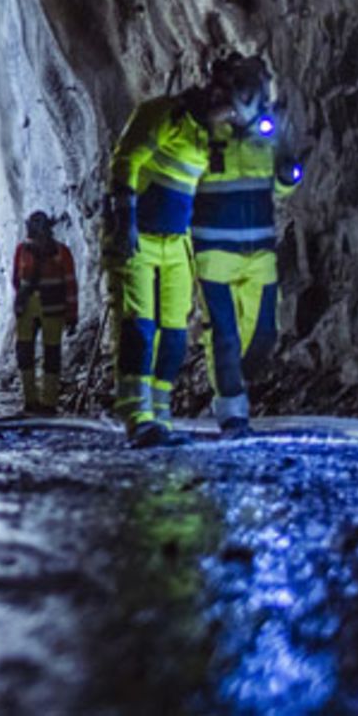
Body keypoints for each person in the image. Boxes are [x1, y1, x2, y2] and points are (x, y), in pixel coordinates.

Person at [103, 68, 242, 447]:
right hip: (139, 237)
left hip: (176, 243)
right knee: (139, 327)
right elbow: (127, 160)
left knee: (175, 334)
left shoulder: (212, 138)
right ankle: (137, 415)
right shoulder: (164, 114)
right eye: (229, 111)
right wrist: (125, 219)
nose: (230, 119)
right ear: (215, 96)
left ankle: (159, 417)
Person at [193, 53, 303, 437]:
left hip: (259, 252)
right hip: (214, 253)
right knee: (223, 333)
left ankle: (230, 386)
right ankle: (232, 412)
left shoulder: (265, 135)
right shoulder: (203, 135)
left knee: (266, 335)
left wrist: (290, 171)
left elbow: (281, 184)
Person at [12, 211, 79, 415]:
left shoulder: (61, 252)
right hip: (28, 310)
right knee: (24, 353)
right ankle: (30, 400)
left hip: (53, 309)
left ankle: (49, 402)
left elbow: (70, 284)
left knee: (51, 354)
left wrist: (71, 314)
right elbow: (16, 279)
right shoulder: (22, 250)